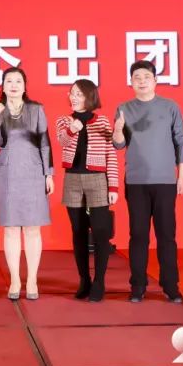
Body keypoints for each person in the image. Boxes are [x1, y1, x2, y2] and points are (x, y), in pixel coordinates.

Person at [113, 60, 183, 304]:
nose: (142, 81)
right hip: (136, 181)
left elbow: (180, 141)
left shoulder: (170, 107)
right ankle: (137, 286)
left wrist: (181, 177)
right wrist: (117, 130)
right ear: (131, 82)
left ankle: (170, 286)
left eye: (146, 77)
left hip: (165, 180)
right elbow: (119, 145)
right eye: (137, 77)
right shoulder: (124, 108)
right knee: (138, 235)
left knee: (166, 235)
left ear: (155, 80)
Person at [0, 67, 53, 300]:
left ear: (24, 86)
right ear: (3, 86)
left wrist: (49, 174)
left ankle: (32, 279)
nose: (13, 85)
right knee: (11, 228)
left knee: (33, 228)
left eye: (18, 81)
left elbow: (45, 142)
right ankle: (15, 279)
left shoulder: (36, 109)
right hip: (8, 172)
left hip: (33, 171)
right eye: (9, 81)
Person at [54, 78, 118, 302]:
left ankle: (99, 281)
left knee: (100, 232)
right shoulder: (64, 120)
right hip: (72, 180)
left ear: (90, 97)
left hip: (97, 180)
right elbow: (62, 142)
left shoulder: (103, 122)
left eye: (79, 94)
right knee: (78, 231)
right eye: (71, 93)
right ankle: (84, 280)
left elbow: (111, 154)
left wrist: (113, 185)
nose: (73, 97)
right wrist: (72, 129)